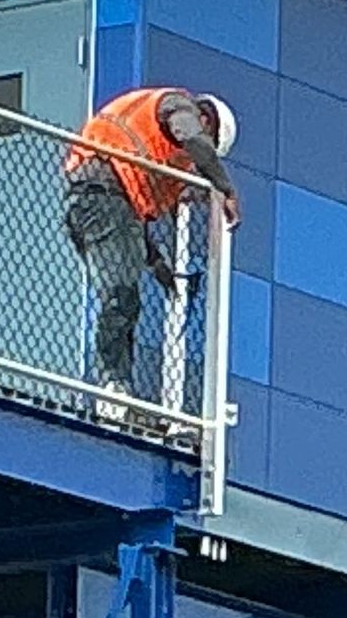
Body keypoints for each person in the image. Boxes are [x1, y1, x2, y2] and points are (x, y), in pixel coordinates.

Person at [62, 88, 241, 409]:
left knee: (124, 294)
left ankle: (115, 385)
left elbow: (134, 229)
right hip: (101, 189)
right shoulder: (178, 107)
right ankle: (112, 387)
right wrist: (224, 188)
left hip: (98, 197)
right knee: (120, 294)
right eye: (207, 144)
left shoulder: (148, 166)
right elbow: (190, 136)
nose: (194, 162)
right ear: (206, 121)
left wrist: (162, 271)